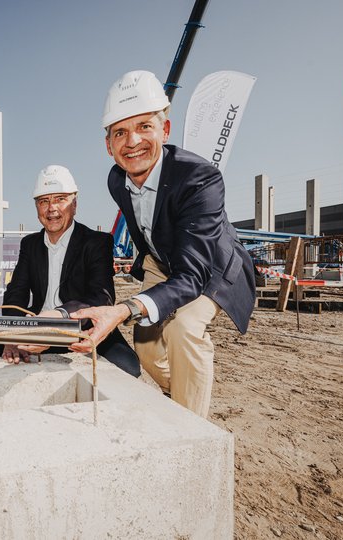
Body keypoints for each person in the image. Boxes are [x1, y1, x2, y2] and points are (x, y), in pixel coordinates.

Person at [71, 71, 256, 417]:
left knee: (184, 329)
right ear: (108, 145)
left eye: (144, 126)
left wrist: (125, 308)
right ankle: (181, 393)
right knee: (145, 342)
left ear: (165, 131)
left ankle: (192, 427)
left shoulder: (200, 179)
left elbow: (191, 275)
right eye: (120, 132)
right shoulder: (116, 180)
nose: (132, 142)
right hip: (162, 261)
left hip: (208, 266)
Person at [0, 165, 140, 377]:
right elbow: (15, 293)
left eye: (60, 199)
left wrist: (60, 315)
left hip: (84, 329)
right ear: (37, 208)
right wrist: (13, 335)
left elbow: (102, 297)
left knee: (127, 367)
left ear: (74, 204)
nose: (51, 208)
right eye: (44, 201)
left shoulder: (97, 242)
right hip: (37, 331)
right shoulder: (30, 244)